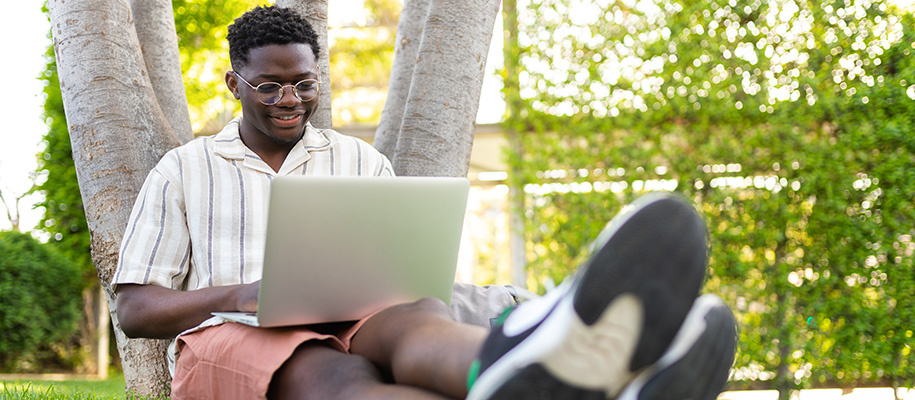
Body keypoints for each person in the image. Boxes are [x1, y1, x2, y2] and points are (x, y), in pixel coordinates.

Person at [113, 5, 737, 400]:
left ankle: (529, 365)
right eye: (270, 85)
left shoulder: (361, 163)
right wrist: (237, 294)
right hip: (234, 335)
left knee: (420, 323)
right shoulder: (185, 169)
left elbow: (400, 267)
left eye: (305, 84)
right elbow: (135, 309)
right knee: (334, 377)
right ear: (233, 83)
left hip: (358, 316)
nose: (290, 99)